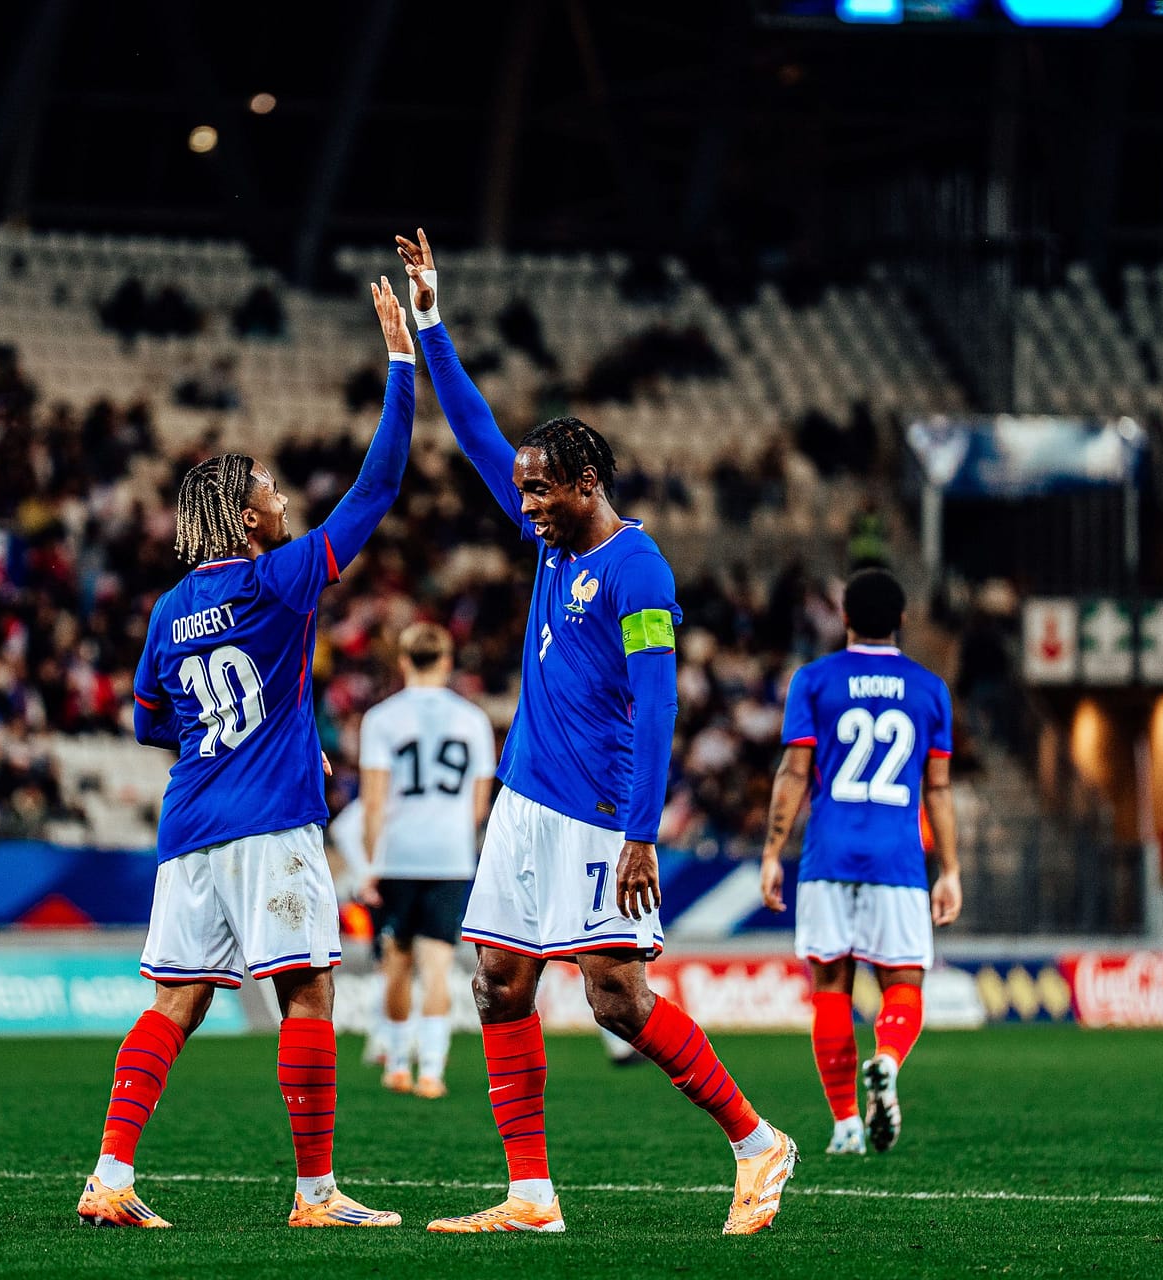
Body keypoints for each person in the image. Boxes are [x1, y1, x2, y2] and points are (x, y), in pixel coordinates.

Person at [397, 229, 797, 1237]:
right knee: (498, 983)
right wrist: (433, 322)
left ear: (586, 482)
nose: (525, 502)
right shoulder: (550, 544)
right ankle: (531, 1194)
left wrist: (641, 832)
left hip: (596, 810)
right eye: (524, 489)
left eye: (540, 489)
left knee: (615, 997)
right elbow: (478, 432)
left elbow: (658, 705)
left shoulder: (638, 570)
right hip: (525, 801)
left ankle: (757, 1140)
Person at [77, 279, 416, 1230]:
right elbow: (378, 487)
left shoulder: (168, 609)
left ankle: (110, 1174)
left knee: (174, 1003)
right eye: (269, 488)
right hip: (272, 822)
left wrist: (229, 735)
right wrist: (401, 364)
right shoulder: (281, 579)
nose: (282, 496)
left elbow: (152, 723)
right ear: (246, 518)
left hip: (191, 825)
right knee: (309, 990)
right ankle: (316, 1195)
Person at [758, 569, 960, 1157]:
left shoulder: (813, 680)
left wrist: (772, 852)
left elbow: (794, 772)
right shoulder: (930, 690)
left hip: (828, 856)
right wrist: (950, 869)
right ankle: (887, 1060)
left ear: (844, 618)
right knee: (903, 983)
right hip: (898, 861)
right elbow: (938, 789)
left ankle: (846, 1124)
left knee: (830, 986)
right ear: (902, 621)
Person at [356, 622, 496, 1100]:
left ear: (402, 661)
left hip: (398, 855)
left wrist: (370, 865)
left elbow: (373, 803)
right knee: (438, 965)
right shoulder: (473, 720)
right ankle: (432, 1071)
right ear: (447, 661)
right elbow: (478, 806)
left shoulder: (381, 719)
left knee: (397, 961)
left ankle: (398, 1063)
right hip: (450, 856)